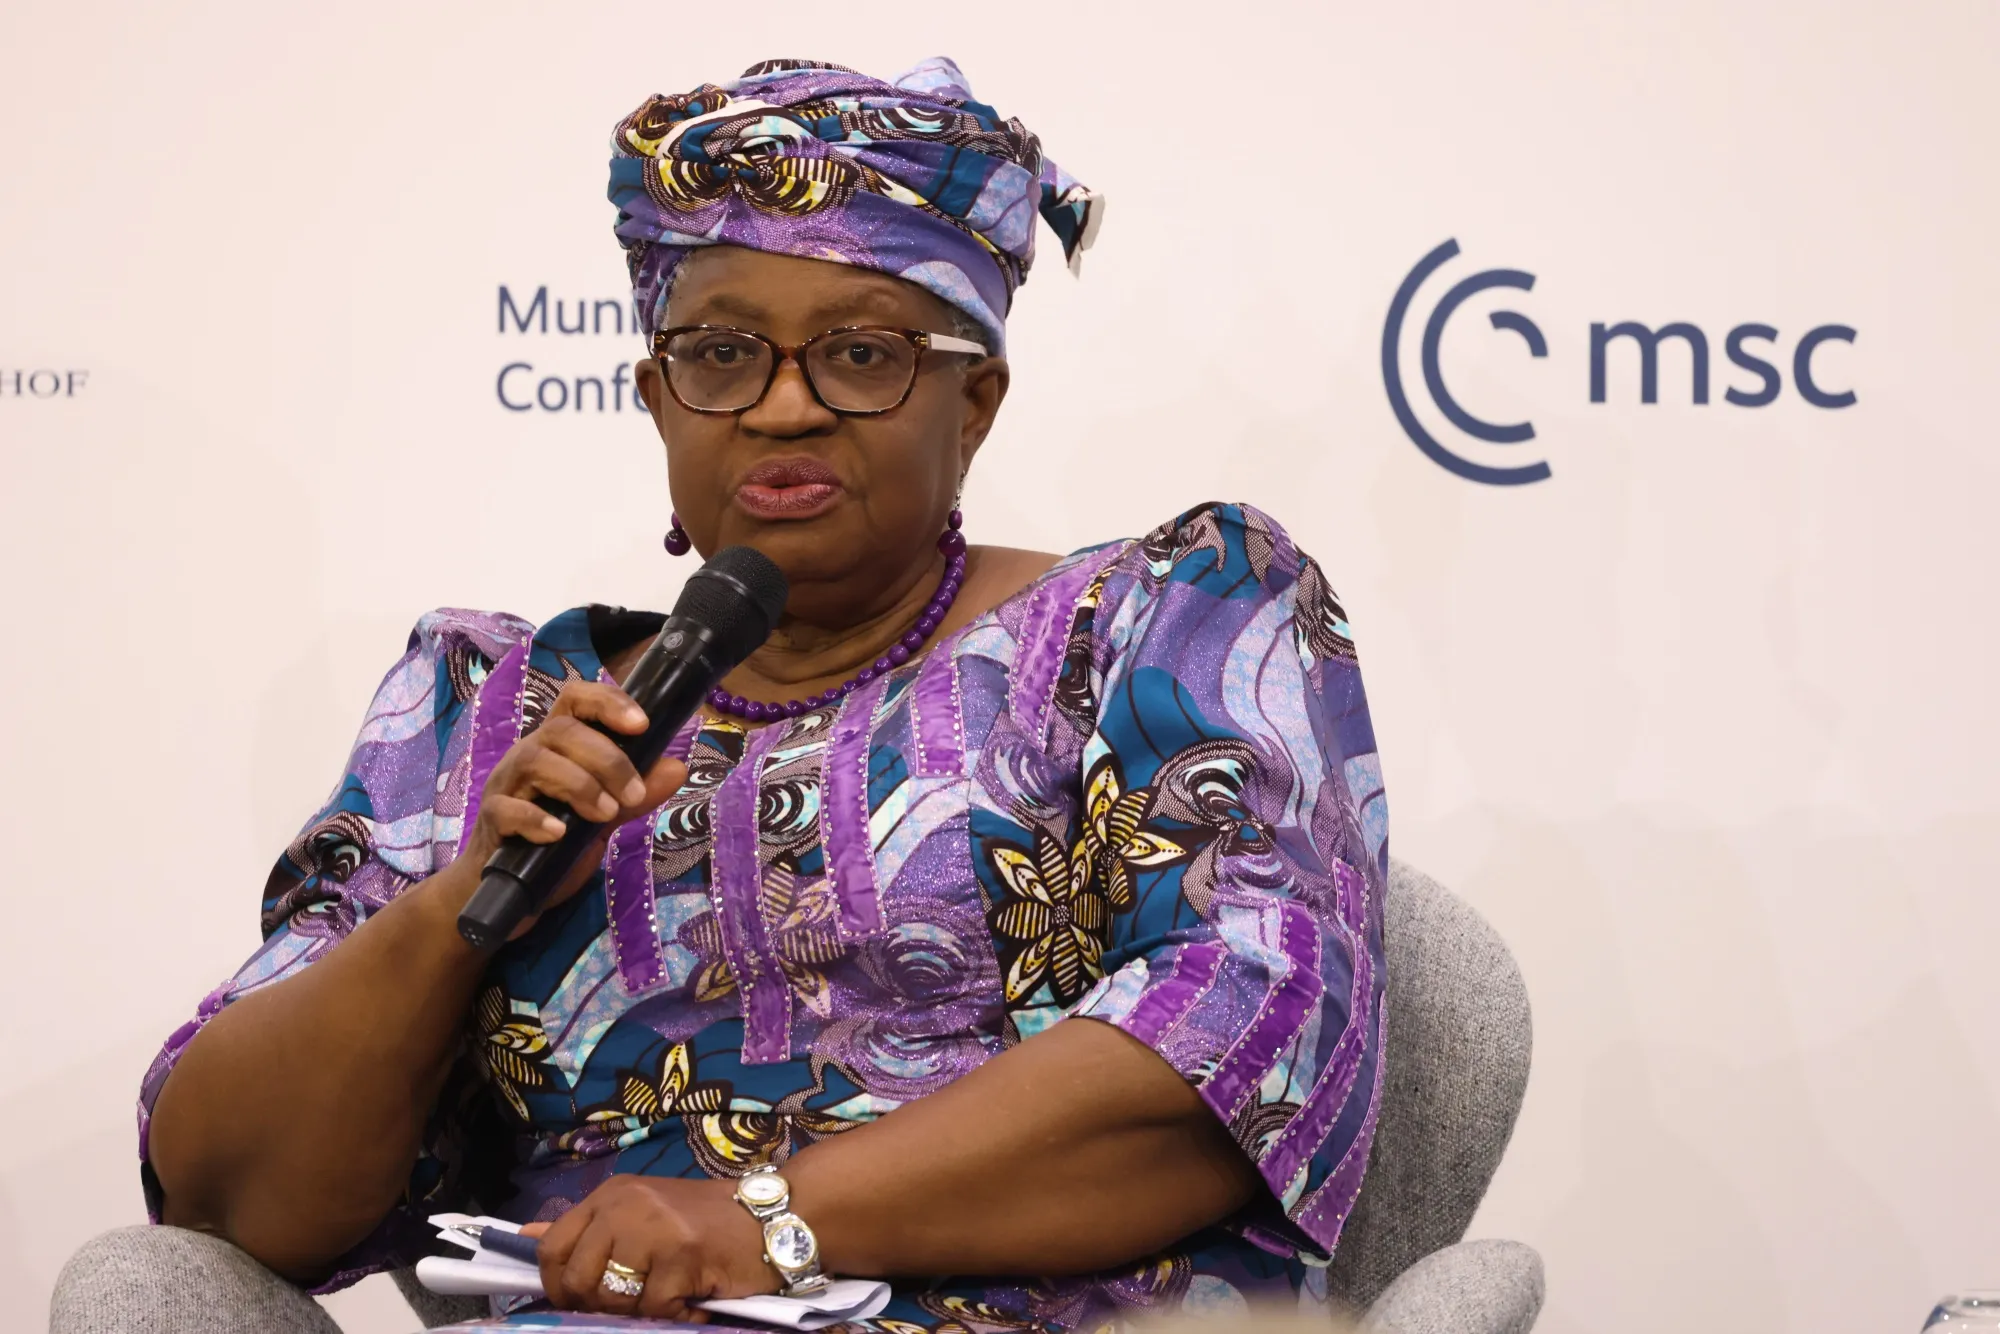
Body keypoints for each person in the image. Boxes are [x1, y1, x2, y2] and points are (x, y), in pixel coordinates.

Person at [85, 56, 1390, 1332]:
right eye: (719, 355)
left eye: (863, 355)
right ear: (659, 399)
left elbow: (1238, 1060)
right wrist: (455, 914)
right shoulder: (491, 706)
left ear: (973, 399)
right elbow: (223, 1197)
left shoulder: (1169, 618)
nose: (781, 407)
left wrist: (761, 1220)